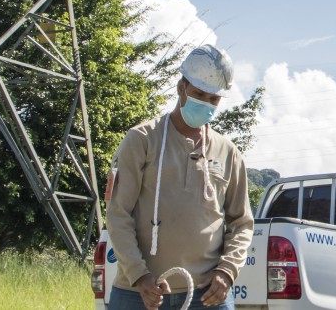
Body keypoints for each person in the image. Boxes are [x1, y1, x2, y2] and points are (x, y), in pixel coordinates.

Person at [107, 45, 254, 310]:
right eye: (199, 94)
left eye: (214, 99)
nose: (206, 104)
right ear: (181, 87)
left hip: (207, 296)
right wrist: (140, 276)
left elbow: (241, 222)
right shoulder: (142, 140)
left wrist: (226, 272)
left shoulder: (228, 152)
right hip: (138, 294)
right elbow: (118, 214)